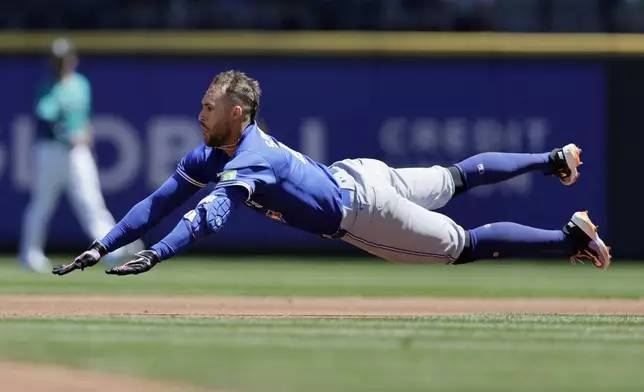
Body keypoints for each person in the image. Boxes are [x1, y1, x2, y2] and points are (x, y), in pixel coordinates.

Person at [52, 70, 611, 277]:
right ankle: (551, 160)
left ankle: (568, 239)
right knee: (452, 178)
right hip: (359, 175)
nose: (200, 113)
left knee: (461, 247)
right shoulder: (211, 155)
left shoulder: (249, 156)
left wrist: (158, 254)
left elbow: (207, 216)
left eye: (208, 106)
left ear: (237, 113)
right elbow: (160, 202)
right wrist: (105, 245)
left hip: (360, 211)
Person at [19, 37, 143, 273]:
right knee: (41, 205)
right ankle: (29, 254)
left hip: (78, 154)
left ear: (72, 59)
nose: (61, 63)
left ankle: (111, 248)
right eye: (57, 59)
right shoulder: (48, 87)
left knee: (91, 202)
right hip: (51, 151)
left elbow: (83, 118)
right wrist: (67, 134)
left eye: (64, 58)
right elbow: (44, 119)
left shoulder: (81, 84)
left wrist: (85, 130)